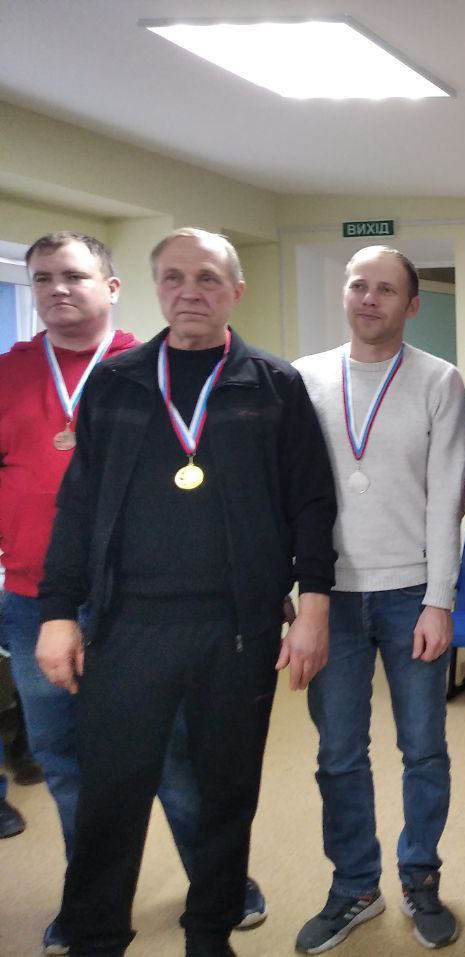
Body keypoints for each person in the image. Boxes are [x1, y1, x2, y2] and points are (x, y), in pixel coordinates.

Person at [35, 227, 336, 957]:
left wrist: (315, 603)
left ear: (236, 290)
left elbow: (310, 501)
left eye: (207, 278)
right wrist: (56, 612)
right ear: (155, 288)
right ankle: (96, 934)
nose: (189, 291)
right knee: (111, 792)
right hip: (127, 626)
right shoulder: (118, 382)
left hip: (237, 628)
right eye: (173, 277)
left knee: (227, 792)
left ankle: (210, 932)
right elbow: (78, 506)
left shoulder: (273, 385)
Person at [0, 231, 266, 955]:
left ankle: (216, 889)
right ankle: (87, 902)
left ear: (112, 287)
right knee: (65, 761)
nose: (58, 288)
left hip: (136, 603)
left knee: (174, 759)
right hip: (35, 597)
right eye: (42, 277)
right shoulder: (9, 372)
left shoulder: (144, 367)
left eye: (74, 275)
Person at [293, 245, 465, 952]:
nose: (369, 298)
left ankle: (420, 876)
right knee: (339, 753)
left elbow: (447, 496)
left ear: (411, 305)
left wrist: (440, 598)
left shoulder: (439, 381)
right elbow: (287, 495)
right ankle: (355, 886)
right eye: (358, 285)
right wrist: (294, 598)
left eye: (386, 289)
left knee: (423, 749)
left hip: (409, 594)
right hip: (329, 598)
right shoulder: (304, 378)